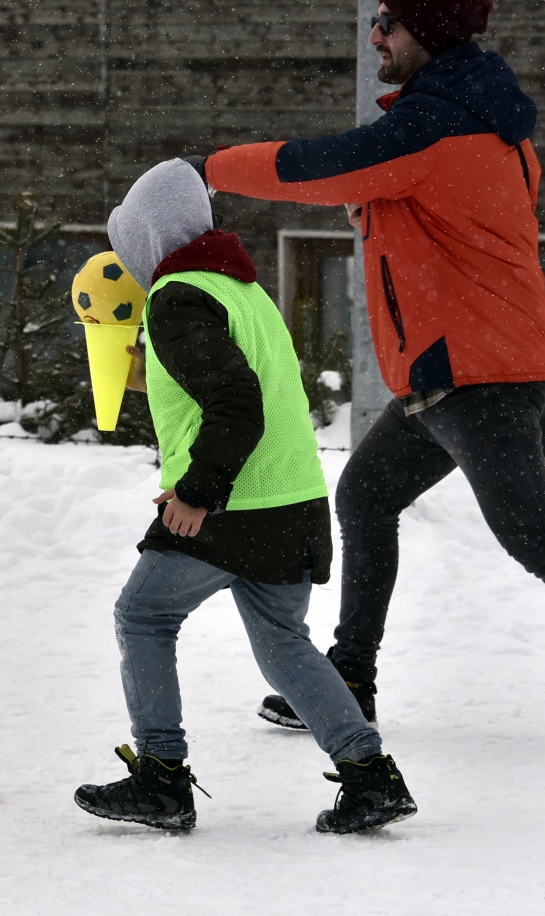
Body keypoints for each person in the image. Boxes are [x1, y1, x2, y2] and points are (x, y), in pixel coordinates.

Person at [187, 0, 545, 755]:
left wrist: (209, 168)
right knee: (364, 497)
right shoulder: (475, 122)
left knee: (534, 534)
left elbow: (318, 167)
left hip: (476, 373)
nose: (375, 39)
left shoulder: (433, 131)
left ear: (425, 32)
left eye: (387, 23)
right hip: (450, 372)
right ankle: (349, 680)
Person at [73, 158, 417, 835]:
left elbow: (235, 401)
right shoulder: (239, 290)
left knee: (142, 614)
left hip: (235, 506)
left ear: (149, 236)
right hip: (293, 499)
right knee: (284, 643)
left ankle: (161, 778)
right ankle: (370, 777)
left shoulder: (176, 296)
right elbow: (222, 386)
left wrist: (200, 491)